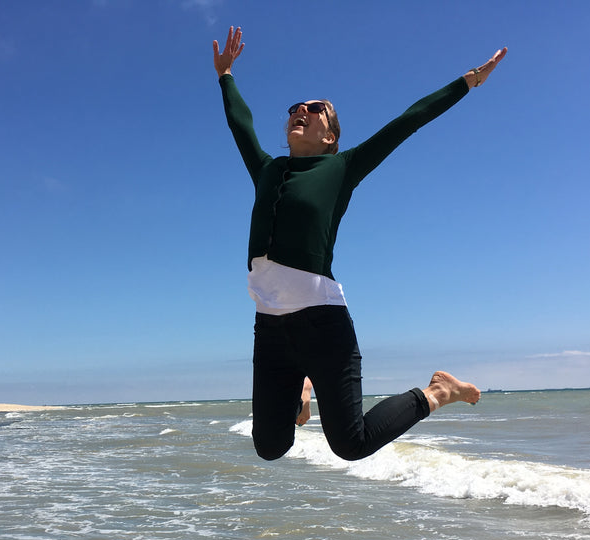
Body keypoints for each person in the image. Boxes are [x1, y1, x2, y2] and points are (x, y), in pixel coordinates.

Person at [213, 27, 506, 462]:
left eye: (316, 109)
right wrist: (226, 76)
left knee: (351, 444)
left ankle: (438, 391)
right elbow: (241, 126)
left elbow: (408, 121)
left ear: (330, 136)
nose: (302, 110)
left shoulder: (342, 169)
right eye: (296, 107)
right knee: (270, 447)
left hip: (322, 324)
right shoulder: (268, 171)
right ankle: (302, 388)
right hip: (270, 325)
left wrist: (466, 82)